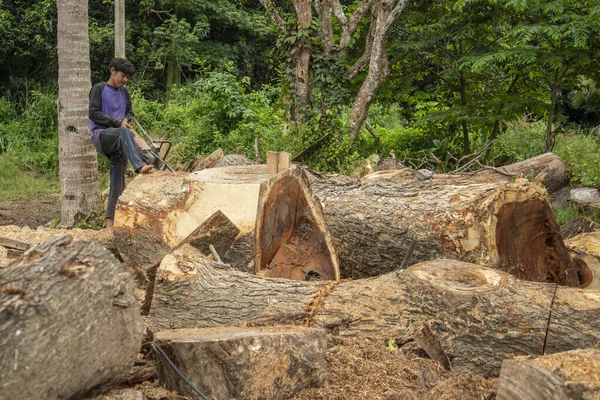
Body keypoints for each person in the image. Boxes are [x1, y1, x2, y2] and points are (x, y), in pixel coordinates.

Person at [89, 58, 153, 229]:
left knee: (117, 179)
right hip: (102, 136)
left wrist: (125, 119)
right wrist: (118, 123)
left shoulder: (124, 93)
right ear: (112, 71)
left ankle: (111, 224)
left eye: (127, 78)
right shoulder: (99, 88)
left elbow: (130, 112)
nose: (124, 80)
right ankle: (139, 165)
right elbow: (93, 113)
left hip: (121, 141)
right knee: (123, 131)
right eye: (122, 76)